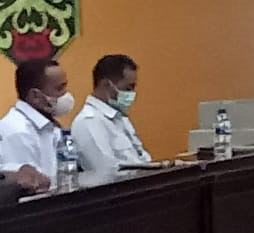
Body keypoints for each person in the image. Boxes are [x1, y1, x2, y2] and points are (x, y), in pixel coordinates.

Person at [73, 54, 152, 187]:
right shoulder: (89, 121)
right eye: (128, 88)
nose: (132, 93)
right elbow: (107, 172)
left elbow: (142, 156)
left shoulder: (119, 118)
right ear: (106, 84)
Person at [0, 57, 72, 189]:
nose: (65, 94)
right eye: (59, 89)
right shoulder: (16, 131)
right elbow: (29, 190)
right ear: (35, 96)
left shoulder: (49, 126)